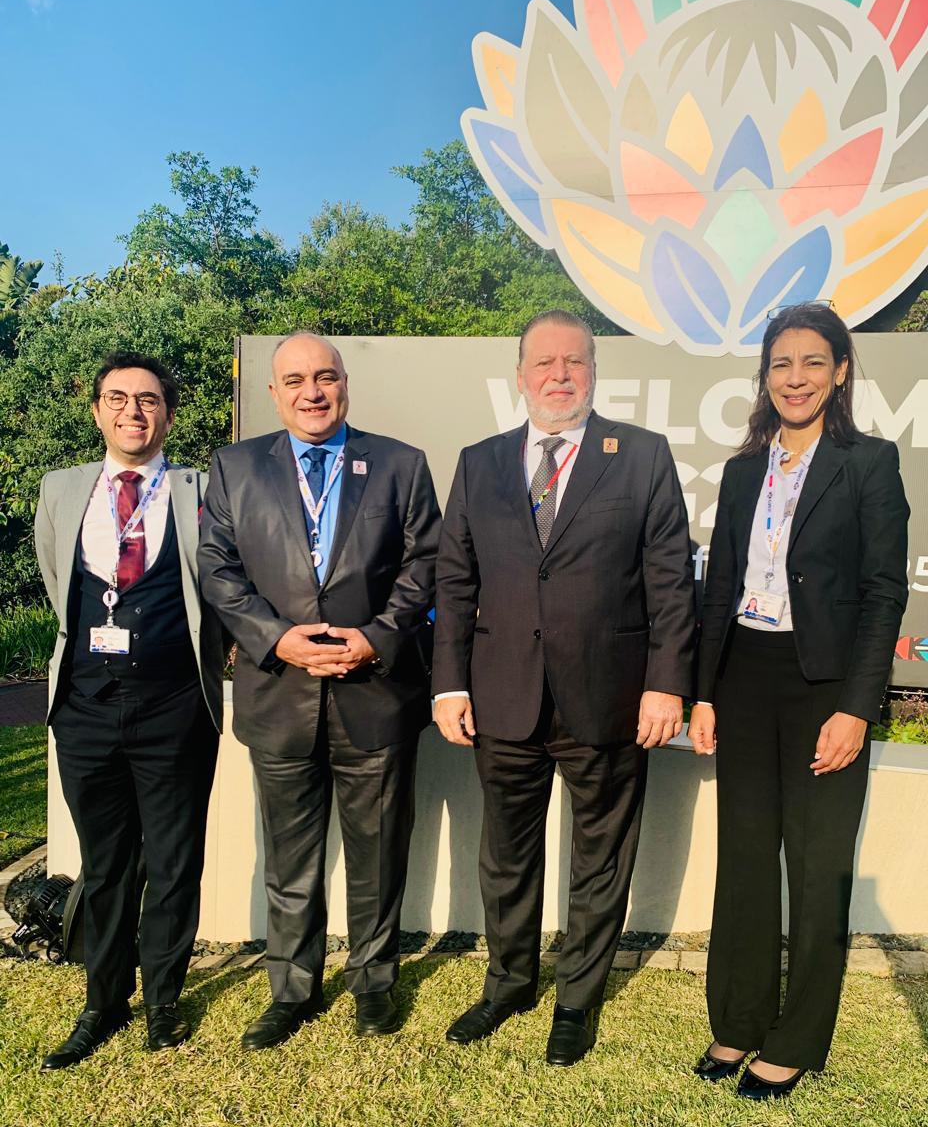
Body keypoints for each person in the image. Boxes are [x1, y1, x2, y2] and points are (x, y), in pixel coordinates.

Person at [433, 309, 696, 1066]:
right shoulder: (480, 462)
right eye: (544, 362)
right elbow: (455, 582)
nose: (559, 375)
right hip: (503, 696)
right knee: (505, 856)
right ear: (520, 375)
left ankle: (577, 1000)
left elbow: (670, 582)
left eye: (574, 361)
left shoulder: (640, 455)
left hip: (609, 697)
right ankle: (509, 984)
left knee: (600, 858)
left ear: (594, 372)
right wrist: (449, 685)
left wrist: (666, 685)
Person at [688, 302, 910, 1100]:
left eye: (813, 361)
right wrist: (703, 694)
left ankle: (796, 1039)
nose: (796, 378)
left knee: (817, 869)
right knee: (746, 859)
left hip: (825, 687)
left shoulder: (869, 463)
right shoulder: (744, 471)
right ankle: (739, 1019)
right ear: (765, 376)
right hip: (744, 676)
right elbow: (720, 588)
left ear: (840, 372)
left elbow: (884, 593)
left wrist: (856, 706)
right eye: (781, 363)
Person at [198, 332, 440, 1049]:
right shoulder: (236, 467)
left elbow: (425, 564)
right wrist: (277, 639)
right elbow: (217, 569)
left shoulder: (400, 464)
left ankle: (374, 983)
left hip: (376, 692)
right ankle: (293, 990)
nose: (313, 392)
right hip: (280, 693)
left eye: (326, 377)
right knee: (290, 861)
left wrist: (378, 635)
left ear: (344, 385)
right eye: (297, 380)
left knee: (378, 855)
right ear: (274, 393)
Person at [34, 351, 223, 1070]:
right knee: (106, 864)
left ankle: (163, 1001)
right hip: (84, 708)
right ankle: (103, 1002)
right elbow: (58, 578)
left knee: (174, 860)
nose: (132, 412)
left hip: (175, 706)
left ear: (167, 414)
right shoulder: (61, 489)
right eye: (117, 398)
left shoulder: (203, 488)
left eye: (147, 400)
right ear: (97, 411)